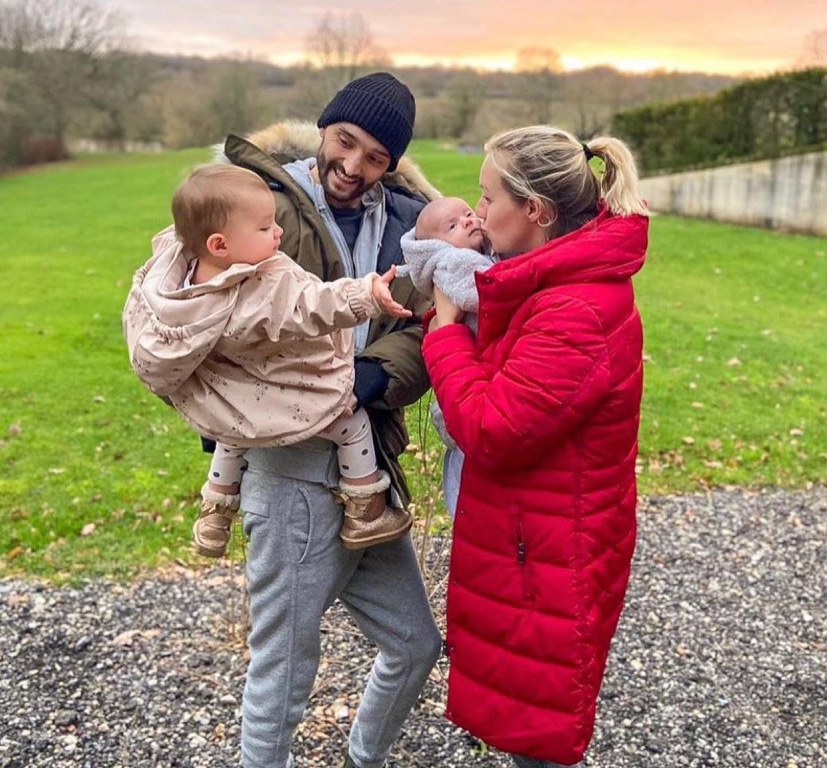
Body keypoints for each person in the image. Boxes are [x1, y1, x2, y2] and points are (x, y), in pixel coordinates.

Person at [216, 73, 442, 768]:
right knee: (282, 673)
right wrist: (229, 405)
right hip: (289, 469)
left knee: (415, 644)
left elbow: (427, 317)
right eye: (345, 142)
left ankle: (363, 757)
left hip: (367, 463)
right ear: (324, 128)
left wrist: (375, 377)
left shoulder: (407, 220)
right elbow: (205, 310)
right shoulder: (257, 201)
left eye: (376, 157)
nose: (353, 167)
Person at [422, 125, 649, 768]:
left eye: (489, 197)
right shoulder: (549, 282)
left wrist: (444, 332)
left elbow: (491, 429)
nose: (479, 211)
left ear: (537, 212)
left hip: (547, 556)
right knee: (526, 715)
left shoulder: (574, 309)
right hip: (537, 540)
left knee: (539, 731)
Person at [122, 163, 414, 559]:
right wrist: (367, 295)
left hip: (230, 400)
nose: (277, 232)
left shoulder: (176, 284)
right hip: (284, 390)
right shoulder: (258, 291)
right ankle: (366, 512)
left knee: (232, 433)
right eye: (264, 228)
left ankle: (214, 514)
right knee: (350, 422)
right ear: (220, 245)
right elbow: (314, 305)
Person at [397, 197, 497, 515]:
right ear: (432, 248)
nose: (468, 221)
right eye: (453, 226)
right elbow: (486, 291)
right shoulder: (452, 264)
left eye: (468, 214)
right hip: (466, 379)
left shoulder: (475, 254)